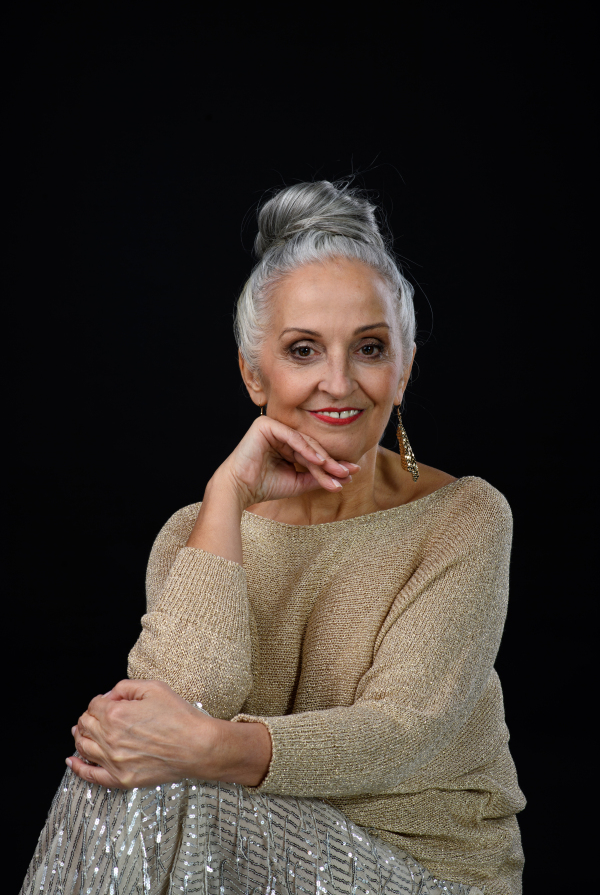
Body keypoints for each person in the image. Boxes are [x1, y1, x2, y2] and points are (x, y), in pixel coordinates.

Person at [21, 180, 525, 895]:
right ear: (253, 374)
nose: (339, 382)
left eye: (370, 348)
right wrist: (227, 495)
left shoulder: (464, 517)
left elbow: (404, 731)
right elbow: (184, 702)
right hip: (244, 853)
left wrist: (211, 749)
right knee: (134, 773)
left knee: (165, 778)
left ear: (404, 369)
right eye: (303, 350)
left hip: (425, 870)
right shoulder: (192, 535)